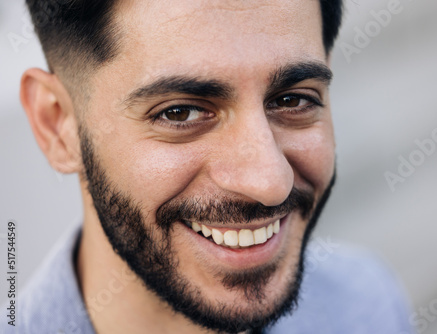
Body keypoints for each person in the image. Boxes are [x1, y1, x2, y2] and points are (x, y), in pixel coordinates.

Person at [4, 0, 414, 333]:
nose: (269, 182)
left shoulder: (366, 301)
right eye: (180, 113)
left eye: (293, 100)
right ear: (57, 125)